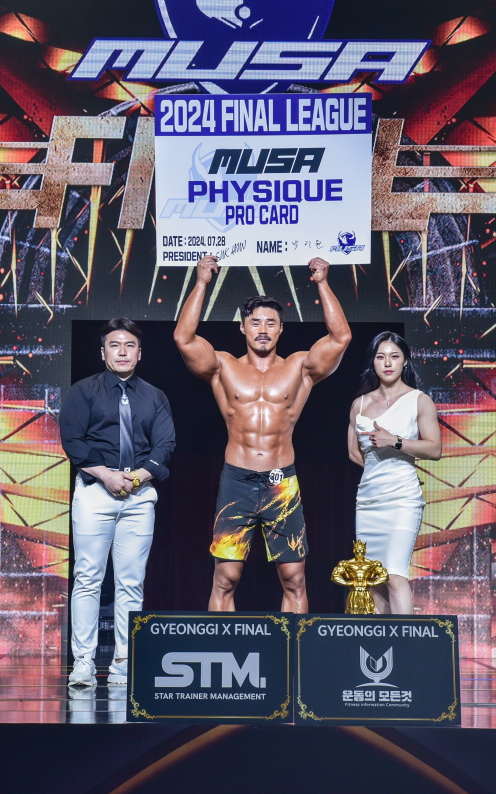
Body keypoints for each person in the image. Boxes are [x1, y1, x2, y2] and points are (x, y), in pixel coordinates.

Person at [174, 255, 351, 613]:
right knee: (226, 577)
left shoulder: (299, 367)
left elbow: (341, 337)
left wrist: (322, 283)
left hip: (279, 481)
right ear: (243, 328)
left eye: (271, 322)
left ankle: (294, 648)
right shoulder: (223, 366)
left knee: (294, 578)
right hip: (236, 480)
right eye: (255, 322)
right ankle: (221, 647)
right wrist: (202, 282)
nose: (263, 329)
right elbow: (183, 337)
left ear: (281, 329)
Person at [59, 318, 175, 687]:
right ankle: (83, 661)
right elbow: (73, 440)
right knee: (88, 577)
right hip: (95, 491)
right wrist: (107, 475)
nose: (122, 352)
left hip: (138, 496)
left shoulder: (154, 396)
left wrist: (137, 477)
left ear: (139, 353)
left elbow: (165, 445)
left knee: (131, 582)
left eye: (129, 346)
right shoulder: (83, 391)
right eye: (114, 345)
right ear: (103, 352)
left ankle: (123, 662)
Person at [347, 331, 442, 614]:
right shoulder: (360, 404)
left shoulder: (419, 400)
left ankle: (405, 640)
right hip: (369, 502)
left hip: (403, 500)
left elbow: (434, 448)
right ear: (373, 362)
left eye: (394, 356)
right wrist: (382, 472)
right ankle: (380, 639)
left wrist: (396, 442)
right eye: (381, 357)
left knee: (395, 574)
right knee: (373, 578)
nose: (387, 363)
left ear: (405, 361)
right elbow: (354, 453)